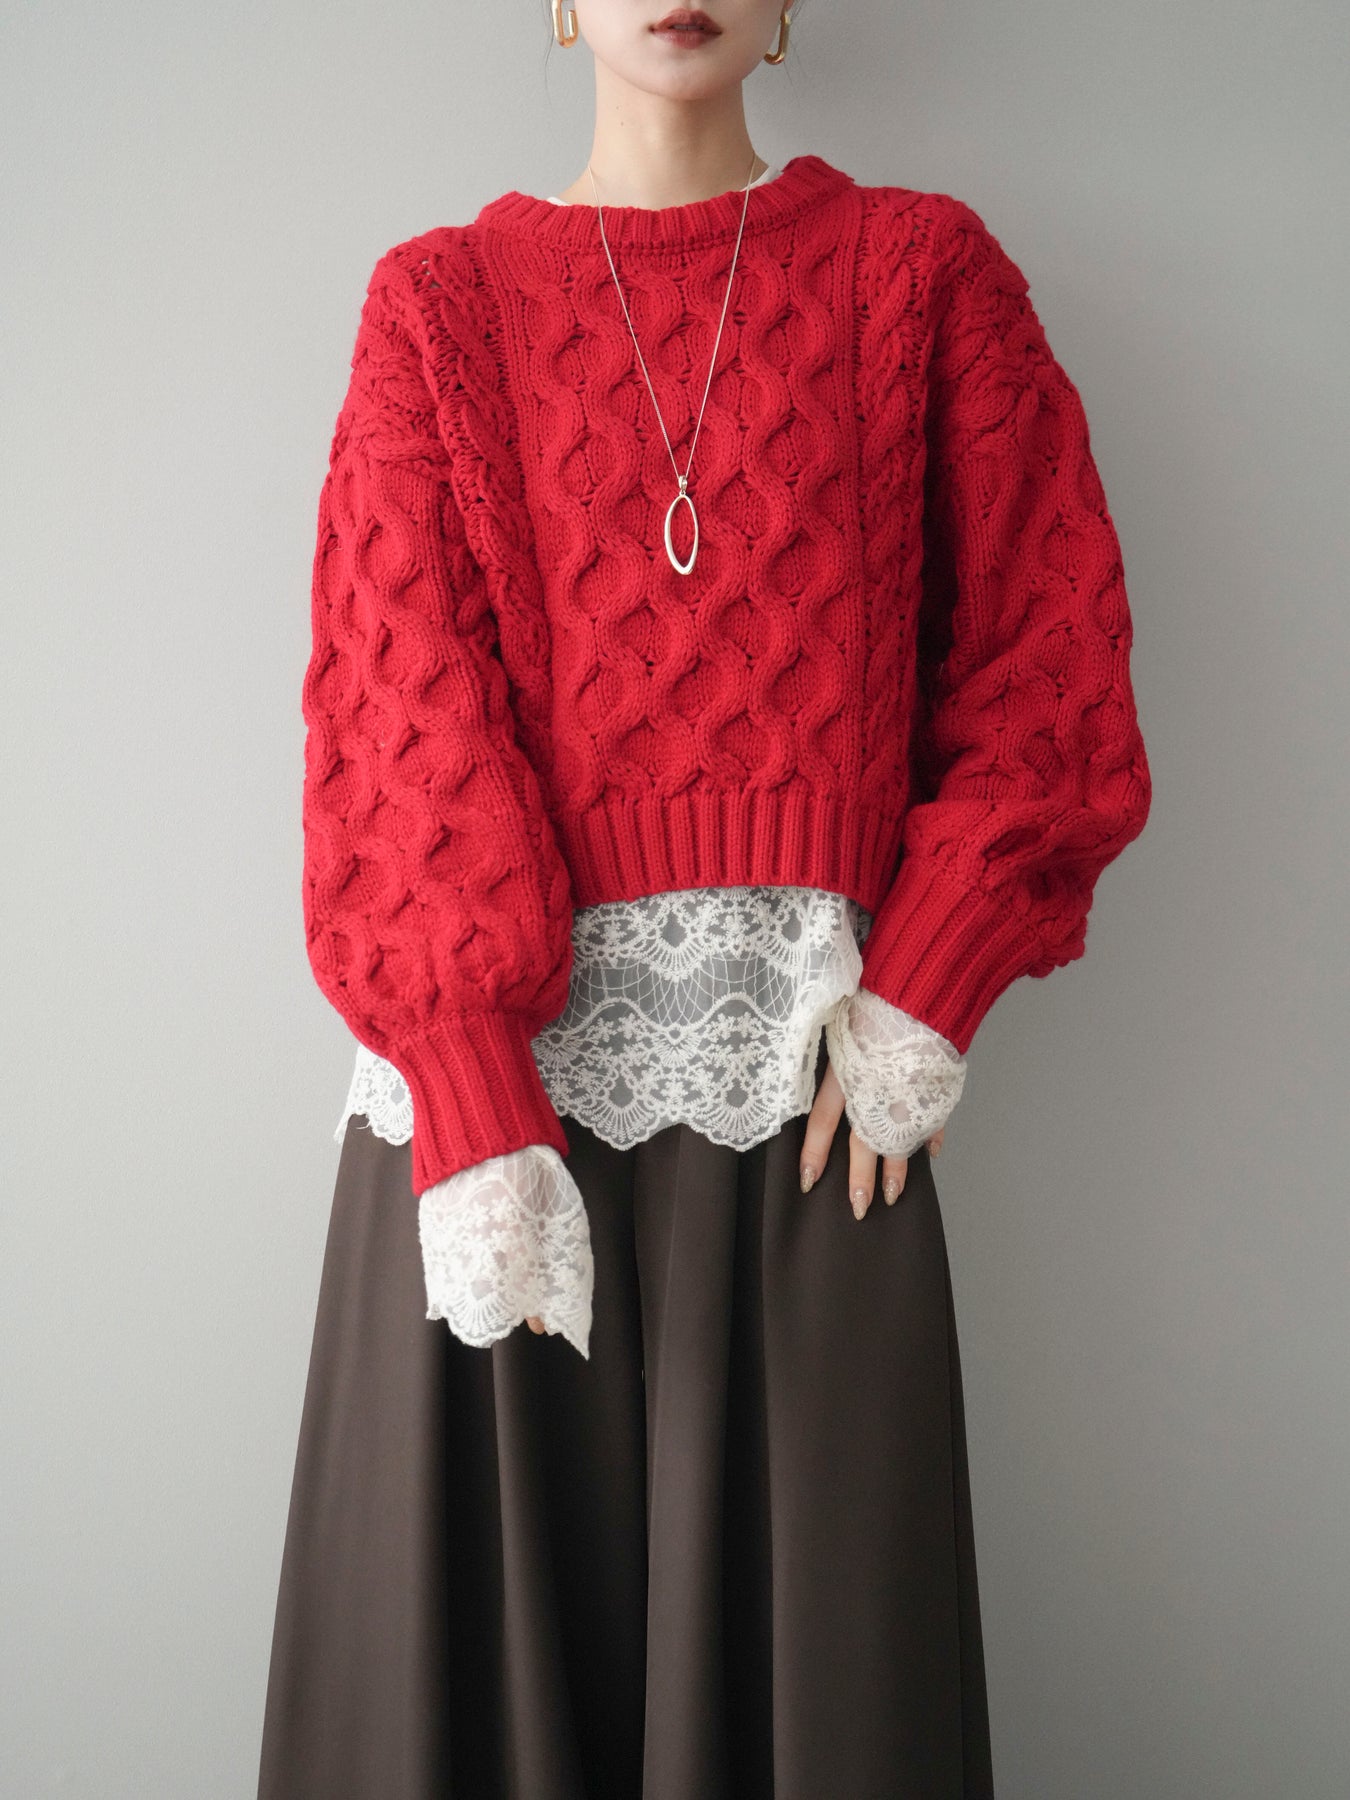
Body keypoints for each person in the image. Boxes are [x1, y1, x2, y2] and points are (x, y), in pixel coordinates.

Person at [257, 3, 1153, 1794]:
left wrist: (928, 987)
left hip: (814, 1107)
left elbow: (1050, 670)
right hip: (491, 1126)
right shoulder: (435, 306)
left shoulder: (921, 276)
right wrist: (467, 1073)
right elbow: (388, 721)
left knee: (822, 1692)